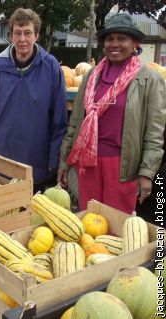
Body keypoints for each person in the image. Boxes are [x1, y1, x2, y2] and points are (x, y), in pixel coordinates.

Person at [57, 13, 166, 213]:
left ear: (135, 43)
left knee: (116, 231)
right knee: (89, 224)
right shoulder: (91, 76)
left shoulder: (149, 80)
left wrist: (146, 173)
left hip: (122, 169)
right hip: (87, 163)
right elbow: (75, 123)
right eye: (110, 38)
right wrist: (64, 160)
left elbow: (154, 134)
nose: (114, 43)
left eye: (122, 38)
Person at [0, 8, 68, 193]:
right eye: (17, 33)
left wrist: (54, 159)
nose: (22, 39)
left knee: (32, 217)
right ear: (10, 36)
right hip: (1, 156)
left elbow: (59, 120)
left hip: (36, 159)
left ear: (37, 35)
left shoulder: (51, 67)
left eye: (28, 33)